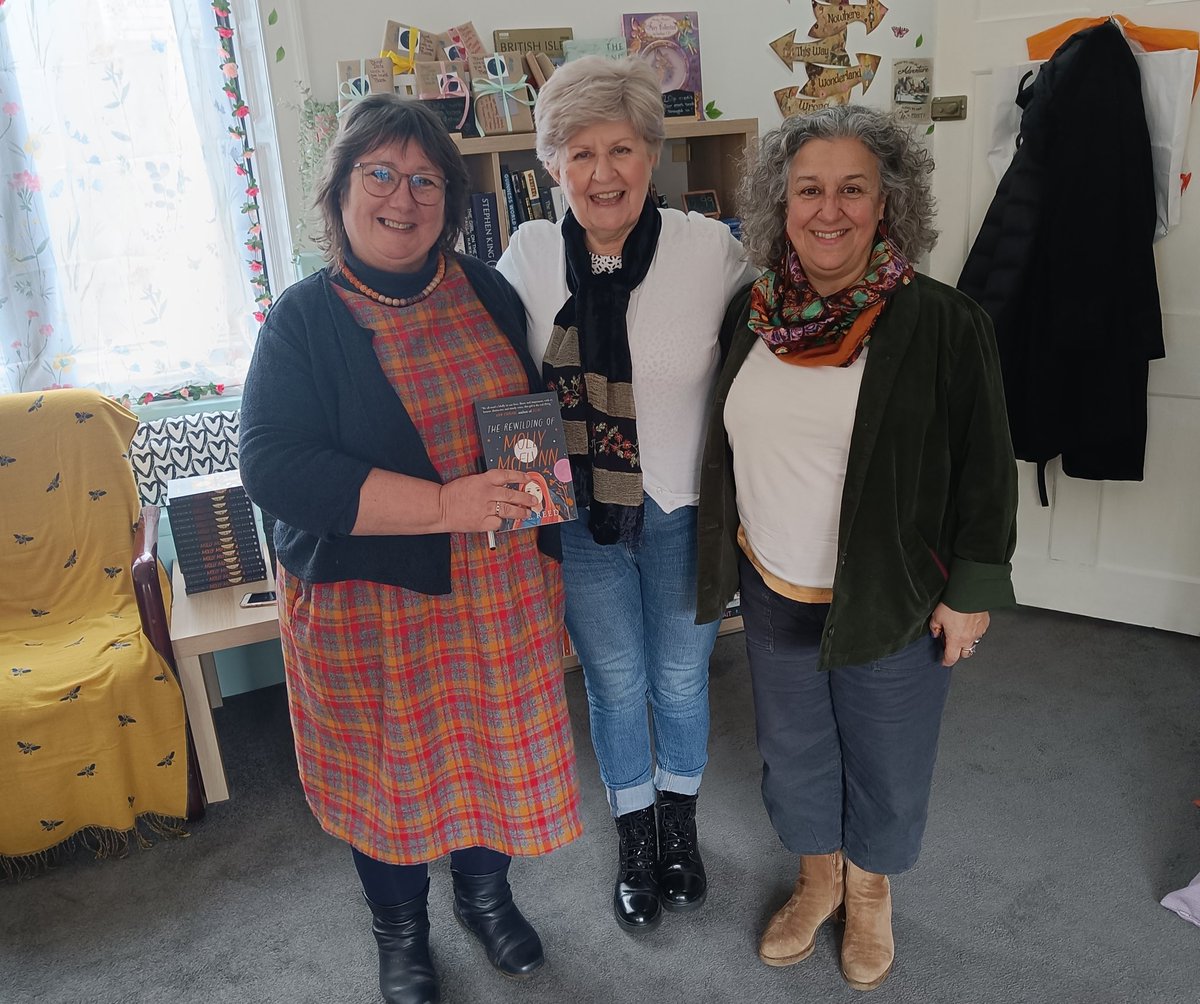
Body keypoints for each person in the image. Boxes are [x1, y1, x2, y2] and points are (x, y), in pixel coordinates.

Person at [238, 94, 580, 1004]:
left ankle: (485, 896)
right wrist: (445, 503)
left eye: (426, 179)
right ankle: (400, 931)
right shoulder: (302, 321)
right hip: (369, 605)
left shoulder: (488, 289)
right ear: (341, 191)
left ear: (451, 200)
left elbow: (527, 419)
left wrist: (536, 497)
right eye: (379, 175)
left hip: (498, 588)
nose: (403, 197)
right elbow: (275, 467)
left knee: (488, 751)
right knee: (389, 773)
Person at [696, 104, 1017, 991]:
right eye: (808, 190)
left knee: (886, 751)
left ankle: (869, 892)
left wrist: (972, 591)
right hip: (774, 583)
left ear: (887, 205)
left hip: (896, 594)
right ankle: (817, 879)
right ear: (780, 202)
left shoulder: (945, 323)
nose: (827, 210)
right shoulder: (751, 315)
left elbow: (987, 469)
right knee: (795, 749)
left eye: (852, 189)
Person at [496, 56, 758, 933]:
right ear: (551, 165)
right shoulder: (528, 257)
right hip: (581, 516)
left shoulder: (707, 249)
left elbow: (772, 339)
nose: (602, 173)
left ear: (653, 154)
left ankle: (680, 825)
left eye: (622, 149)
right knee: (614, 683)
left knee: (681, 678)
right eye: (580, 153)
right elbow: (493, 381)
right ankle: (634, 834)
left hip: (682, 507)